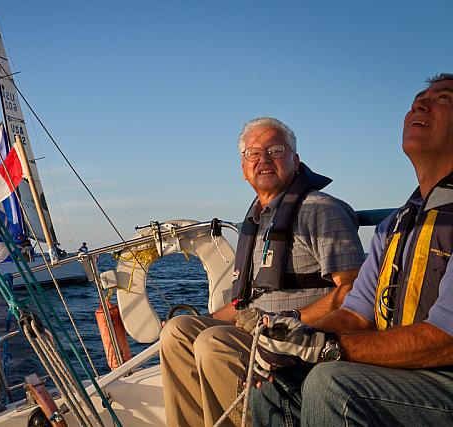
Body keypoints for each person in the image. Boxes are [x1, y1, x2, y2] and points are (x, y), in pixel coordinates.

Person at [249, 74, 453, 426]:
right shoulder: (395, 225)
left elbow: (446, 340)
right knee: (273, 381)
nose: (419, 104)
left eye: (444, 98)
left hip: (443, 376)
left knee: (331, 385)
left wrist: (330, 348)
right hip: (408, 371)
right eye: (418, 98)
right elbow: (357, 314)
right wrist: (297, 340)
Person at [160, 117, 365, 427]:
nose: (263, 160)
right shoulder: (257, 222)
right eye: (253, 154)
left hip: (295, 338)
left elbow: (352, 290)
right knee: (178, 331)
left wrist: (292, 325)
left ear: (296, 161)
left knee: (213, 342)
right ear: (244, 170)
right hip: (255, 329)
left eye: (275, 150)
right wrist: (202, 319)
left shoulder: (320, 210)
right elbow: (246, 303)